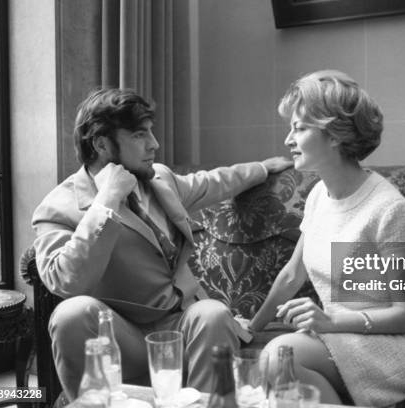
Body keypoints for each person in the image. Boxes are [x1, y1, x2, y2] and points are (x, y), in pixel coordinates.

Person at [31, 88, 292, 400]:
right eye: (140, 135)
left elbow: (212, 182)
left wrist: (263, 168)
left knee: (213, 313)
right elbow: (65, 281)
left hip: (181, 325)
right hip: (120, 337)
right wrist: (107, 201)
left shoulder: (160, 179)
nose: (154, 144)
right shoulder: (58, 207)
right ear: (101, 143)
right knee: (70, 314)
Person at [248, 70, 405, 407]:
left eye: (299, 128)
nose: (288, 140)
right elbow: (291, 276)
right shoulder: (318, 196)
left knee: (279, 359)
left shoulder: (390, 209)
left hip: (403, 339)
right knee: (276, 369)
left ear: (334, 135)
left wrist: (329, 321)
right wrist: (250, 330)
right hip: (344, 334)